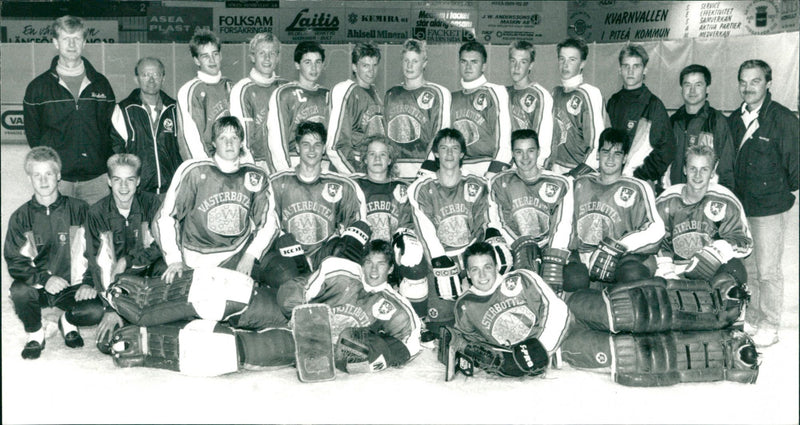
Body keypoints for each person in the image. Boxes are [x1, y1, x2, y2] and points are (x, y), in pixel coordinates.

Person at [153, 116, 280, 285]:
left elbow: (269, 222)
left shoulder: (255, 175)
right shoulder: (194, 171)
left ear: (241, 142)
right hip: (197, 258)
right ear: (213, 143)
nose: (229, 144)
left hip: (238, 252)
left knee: (282, 273)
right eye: (223, 138)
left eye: (234, 137)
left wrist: (251, 255)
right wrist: (174, 259)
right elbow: (166, 217)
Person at [5, 147, 105, 359]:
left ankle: (68, 321)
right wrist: (44, 279)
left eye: (48, 174)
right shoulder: (20, 217)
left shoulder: (80, 209)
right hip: (40, 286)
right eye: (37, 175)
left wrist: (89, 281)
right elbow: (15, 260)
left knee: (95, 310)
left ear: (59, 175)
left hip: (72, 287)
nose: (43, 181)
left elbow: (98, 250)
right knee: (19, 291)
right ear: (29, 178)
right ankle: (35, 333)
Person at [728, 59, 800, 347]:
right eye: (743, 82)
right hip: (743, 209)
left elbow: (795, 169)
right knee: (751, 269)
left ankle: (770, 322)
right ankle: (754, 318)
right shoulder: (734, 119)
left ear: (768, 84)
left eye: (755, 81)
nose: (748, 87)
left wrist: (773, 190)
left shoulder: (783, 119)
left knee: (769, 270)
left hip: (769, 208)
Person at [439, 241, 569, 380]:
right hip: (516, 360)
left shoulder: (521, 278)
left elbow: (557, 308)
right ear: (468, 274)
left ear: (496, 267)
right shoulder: (465, 304)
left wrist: (541, 349)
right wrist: (466, 349)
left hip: (559, 339)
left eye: (487, 267)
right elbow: (474, 342)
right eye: (475, 269)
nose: (482, 276)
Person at [23, 15, 116, 206]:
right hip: (58, 181)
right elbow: (34, 135)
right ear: (56, 43)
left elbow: (111, 130)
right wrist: (51, 168)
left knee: (97, 234)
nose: (72, 44)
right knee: (59, 235)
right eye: (66, 39)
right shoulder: (38, 87)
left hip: (96, 180)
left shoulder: (101, 84)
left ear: (84, 42)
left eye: (77, 39)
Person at [408, 128, 490, 335]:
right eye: (444, 148)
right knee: (440, 327)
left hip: (469, 253)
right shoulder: (420, 188)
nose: (449, 154)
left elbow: (483, 223)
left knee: (480, 321)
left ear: (462, 153)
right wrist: (440, 262)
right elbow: (425, 230)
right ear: (435, 153)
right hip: (441, 257)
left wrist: (471, 262)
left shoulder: (476, 184)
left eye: (455, 148)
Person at [565, 128, 664, 288]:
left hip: (620, 259)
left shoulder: (638, 187)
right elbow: (563, 222)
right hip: (584, 258)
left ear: (625, 158)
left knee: (633, 272)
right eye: (605, 152)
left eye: (617, 154)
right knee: (571, 278)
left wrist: (617, 248)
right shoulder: (579, 184)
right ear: (597, 155)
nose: (610, 158)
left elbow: (656, 228)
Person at [85, 154, 165, 351]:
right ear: (108, 181)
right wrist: (111, 308)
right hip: (116, 283)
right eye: (117, 180)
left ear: (138, 181)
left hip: (148, 273)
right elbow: (99, 264)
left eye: (129, 180)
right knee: (107, 344)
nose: (123, 187)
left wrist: (128, 260)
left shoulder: (153, 204)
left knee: (167, 268)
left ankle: (145, 317)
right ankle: (130, 316)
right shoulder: (97, 213)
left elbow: (162, 245)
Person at [270, 121, 367, 270]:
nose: (311, 150)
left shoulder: (343, 185)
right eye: (306, 144)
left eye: (317, 144)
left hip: (326, 254)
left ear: (323, 149)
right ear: (297, 147)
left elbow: (357, 223)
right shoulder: (278, 182)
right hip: (290, 257)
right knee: (282, 266)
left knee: (357, 235)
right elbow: (266, 225)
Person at [487, 129, 574, 293]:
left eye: (530, 151)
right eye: (519, 152)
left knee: (575, 277)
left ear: (539, 152)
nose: (525, 158)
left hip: (546, 245)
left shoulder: (561, 182)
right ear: (512, 154)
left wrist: (552, 257)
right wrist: (521, 246)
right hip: (513, 245)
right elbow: (496, 221)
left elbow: (563, 223)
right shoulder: (498, 181)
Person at [655, 145, 752, 284]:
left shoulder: (725, 200)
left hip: (713, 270)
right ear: (684, 169)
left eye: (704, 169)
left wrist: (718, 251)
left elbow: (745, 243)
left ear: (712, 172)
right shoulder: (667, 200)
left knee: (735, 271)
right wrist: (666, 269)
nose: (698, 175)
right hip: (675, 270)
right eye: (692, 168)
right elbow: (657, 240)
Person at [352, 136, 427, 315]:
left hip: (393, 254)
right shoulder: (354, 186)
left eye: (382, 154)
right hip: (364, 254)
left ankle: (418, 321)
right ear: (364, 158)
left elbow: (408, 227)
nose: (377, 159)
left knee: (414, 260)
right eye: (372, 154)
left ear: (390, 159)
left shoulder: (403, 188)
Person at [110, 57, 181, 196]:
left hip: (171, 192)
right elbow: (117, 154)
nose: (151, 80)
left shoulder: (176, 110)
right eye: (145, 75)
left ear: (163, 78)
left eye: (156, 74)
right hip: (137, 194)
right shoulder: (123, 110)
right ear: (136, 79)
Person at [606, 45, 674, 187]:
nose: (630, 71)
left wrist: (639, 175)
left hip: (640, 183)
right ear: (620, 70)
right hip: (612, 179)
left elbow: (666, 150)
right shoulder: (613, 102)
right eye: (626, 66)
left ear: (645, 70)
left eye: (636, 66)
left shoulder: (654, 105)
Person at [384, 39, 451, 180]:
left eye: (415, 61)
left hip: (425, 172)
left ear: (424, 63)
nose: (409, 66)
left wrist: (426, 171)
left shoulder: (438, 93)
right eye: (406, 61)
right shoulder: (391, 94)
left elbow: (440, 136)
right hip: (394, 173)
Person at [448, 41, 512, 178]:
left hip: (487, 165)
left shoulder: (496, 91)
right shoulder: (451, 98)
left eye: (474, 62)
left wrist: (494, 171)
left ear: (484, 66)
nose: (468, 67)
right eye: (464, 62)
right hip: (459, 168)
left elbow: (504, 138)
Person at [667, 64, 735, 191]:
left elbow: (726, 168)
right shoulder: (672, 122)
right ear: (681, 88)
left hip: (705, 197)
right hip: (675, 195)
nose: (692, 91)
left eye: (698, 85)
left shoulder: (717, 122)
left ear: (707, 89)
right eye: (687, 85)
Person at [266, 41, 330, 173]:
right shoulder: (284, 94)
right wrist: (285, 172)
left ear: (323, 65)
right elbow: (276, 141)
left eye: (318, 62)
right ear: (297, 65)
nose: (314, 68)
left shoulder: (328, 95)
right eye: (308, 62)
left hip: (323, 164)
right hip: (294, 162)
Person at [549, 37, 608, 177]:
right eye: (561, 59)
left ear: (582, 63)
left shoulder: (589, 93)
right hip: (554, 170)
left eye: (572, 60)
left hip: (579, 173)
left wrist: (575, 175)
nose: (565, 65)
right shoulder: (555, 93)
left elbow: (598, 145)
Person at [229, 33, 288, 172]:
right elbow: (241, 138)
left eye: (272, 53)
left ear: (278, 58)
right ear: (252, 57)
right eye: (262, 53)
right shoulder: (242, 89)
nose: (267, 58)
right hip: (257, 164)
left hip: (286, 165)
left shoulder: (286, 88)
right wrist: (251, 170)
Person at [327, 42, 386, 174]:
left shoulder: (375, 92)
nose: (371, 71)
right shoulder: (345, 90)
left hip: (371, 168)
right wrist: (355, 175)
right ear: (354, 67)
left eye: (374, 65)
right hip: (352, 169)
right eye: (365, 65)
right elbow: (335, 145)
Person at [176, 29, 233, 160]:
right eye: (205, 56)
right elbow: (189, 138)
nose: (212, 60)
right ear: (196, 60)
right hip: (208, 164)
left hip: (233, 162)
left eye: (215, 54)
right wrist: (205, 169)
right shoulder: (189, 90)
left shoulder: (231, 86)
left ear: (221, 55)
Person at [506, 41, 554, 168]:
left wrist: (536, 168)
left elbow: (544, 139)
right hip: (506, 164)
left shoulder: (540, 95)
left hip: (529, 166)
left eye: (523, 62)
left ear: (531, 65)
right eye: (513, 61)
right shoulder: (503, 93)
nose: (516, 67)